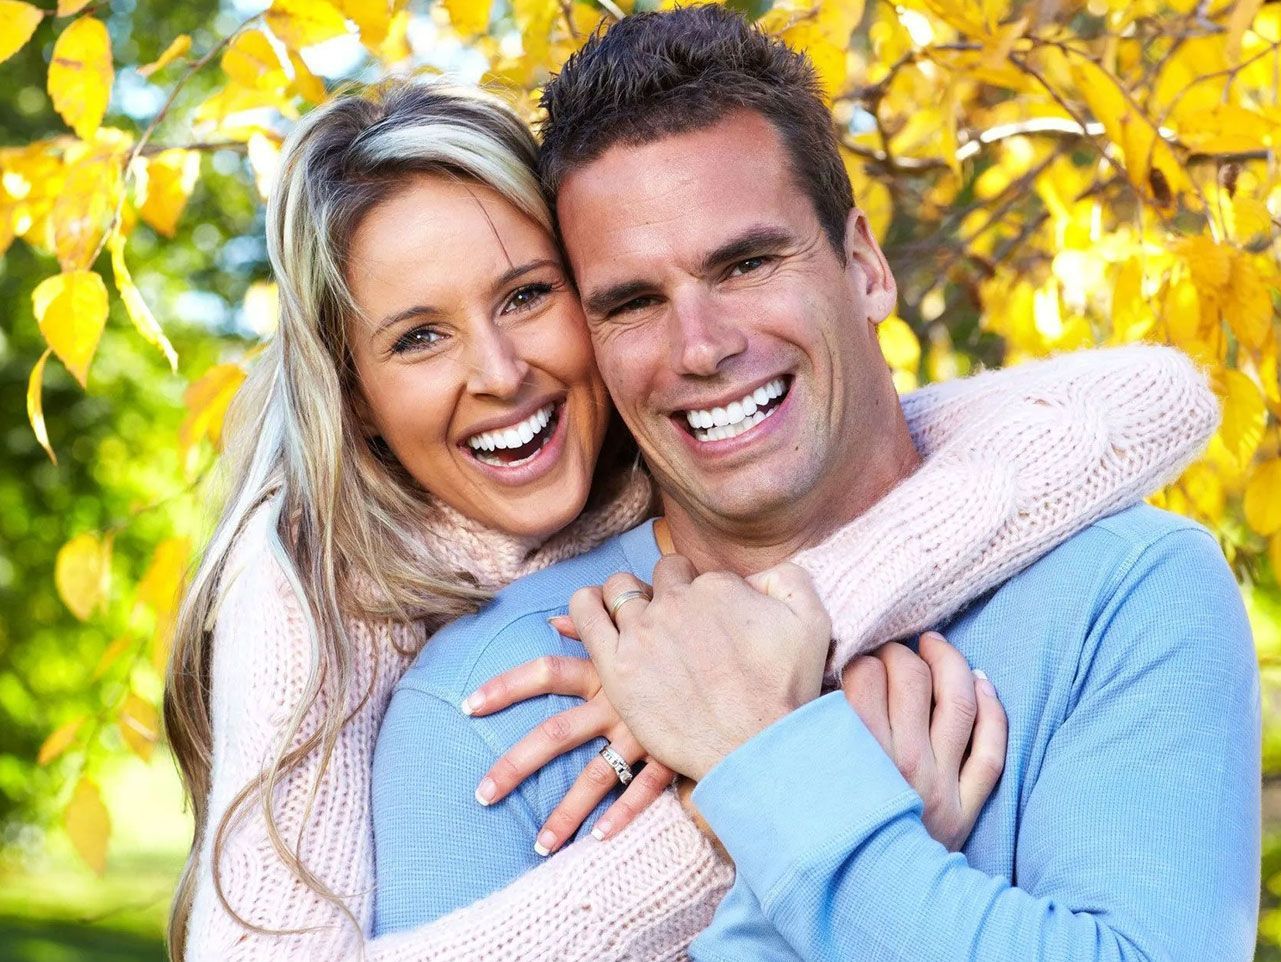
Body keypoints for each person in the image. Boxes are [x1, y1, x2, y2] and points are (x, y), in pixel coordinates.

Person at [164, 71, 1217, 962]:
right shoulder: (441, 679)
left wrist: (766, 750)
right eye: (632, 300)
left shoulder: (1128, 585)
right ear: (353, 400)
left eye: (745, 263)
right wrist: (817, 817)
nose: (701, 346)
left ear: (864, 265)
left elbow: (1115, 412)